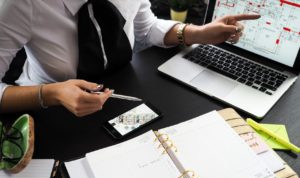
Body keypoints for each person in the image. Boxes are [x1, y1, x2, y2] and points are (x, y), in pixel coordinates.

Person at [0, 0, 260, 117]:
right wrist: (52, 93)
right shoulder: (20, 4)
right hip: (51, 113)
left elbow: (145, 28)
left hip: (123, 91)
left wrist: (197, 33)